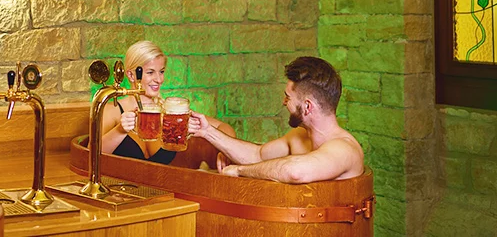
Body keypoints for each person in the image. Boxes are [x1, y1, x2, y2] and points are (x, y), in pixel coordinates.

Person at [188, 56, 364, 182]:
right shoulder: (298, 137)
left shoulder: (343, 149)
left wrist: (240, 171)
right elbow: (257, 155)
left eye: (288, 97)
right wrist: (207, 131)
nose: (284, 102)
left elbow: (295, 171)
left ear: (307, 106)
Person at [101, 40, 230, 164]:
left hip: (162, 179)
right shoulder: (113, 110)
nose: (159, 79)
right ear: (131, 75)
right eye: (150, 72)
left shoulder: (171, 111)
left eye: (161, 71)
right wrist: (120, 130)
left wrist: (225, 152)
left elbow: (224, 127)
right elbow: (92, 156)